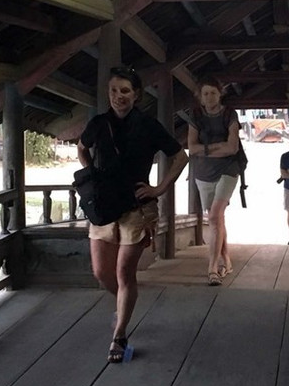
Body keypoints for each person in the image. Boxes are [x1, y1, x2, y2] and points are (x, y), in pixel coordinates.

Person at [77, 65, 188, 363]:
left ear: (136, 94)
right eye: (114, 90)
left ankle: (120, 334)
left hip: (137, 207)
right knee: (102, 272)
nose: (118, 96)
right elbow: (82, 147)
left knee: (124, 272)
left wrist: (160, 188)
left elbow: (180, 156)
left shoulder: (149, 126)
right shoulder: (99, 123)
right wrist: (91, 175)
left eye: (125, 91)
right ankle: (124, 304)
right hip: (103, 206)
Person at [187, 76, 241, 286]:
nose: (209, 97)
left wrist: (205, 150)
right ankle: (226, 259)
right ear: (200, 97)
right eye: (206, 93)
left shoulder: (229, 114)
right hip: (203, 173)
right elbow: (191, 148)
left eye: (213, 93)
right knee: (216, 219)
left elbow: (233, 148)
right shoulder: (196, 115)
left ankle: (212, 268)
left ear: (220, 95)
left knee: (215, 215)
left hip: (228, 170)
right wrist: (218, 148)